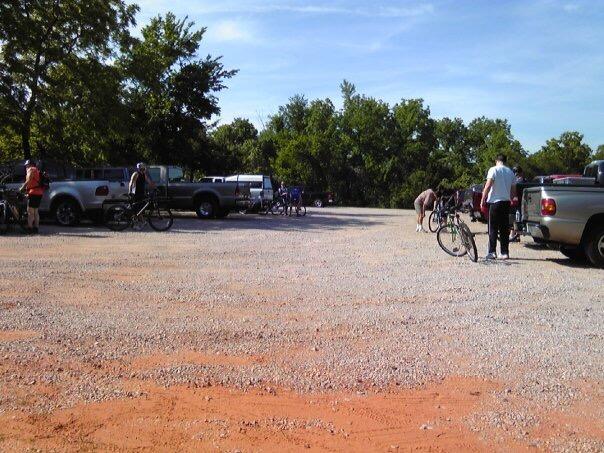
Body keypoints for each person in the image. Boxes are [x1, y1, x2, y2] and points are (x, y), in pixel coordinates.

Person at [481, 155, 516, 260]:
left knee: (493, 228)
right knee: (504, 229)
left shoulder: (493, 170)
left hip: (495, 202)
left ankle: (492, 252)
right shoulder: (510, 172)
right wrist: (509, 197)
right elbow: (513, 191)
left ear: (496, 161)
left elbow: (488, 185)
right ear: (505, 161)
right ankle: (504, 252)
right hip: (506, 203)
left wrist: (483, 198)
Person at [19, 160, 45, 234]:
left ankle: (30, 228)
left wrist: (22, 187)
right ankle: (36, 228)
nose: (26, 167)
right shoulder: (36, 170)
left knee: (30, 211)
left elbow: (29, 180)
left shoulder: (31, 169)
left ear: (29, 165)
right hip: (39, 192)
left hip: (33, 192)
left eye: (26, 165)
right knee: (35, 211)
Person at [509, 166, 526, 242]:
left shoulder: (518, 182)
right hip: (520, 202)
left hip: (519, 203)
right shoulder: (523, 181)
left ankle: (515, 235)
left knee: (516, 218)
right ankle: (515, 235)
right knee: (515, 217)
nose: (516, 174)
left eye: (517, 172)